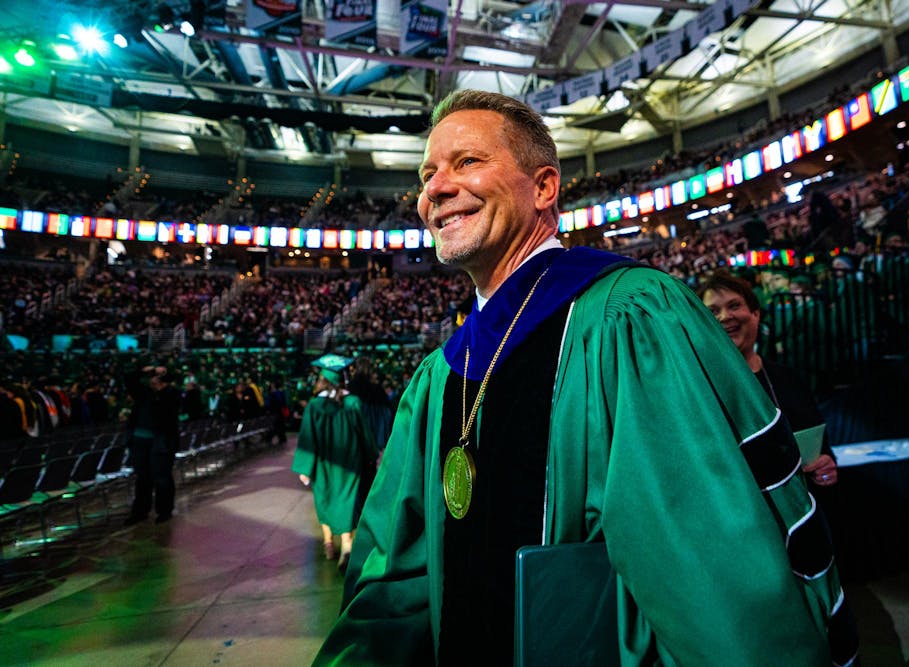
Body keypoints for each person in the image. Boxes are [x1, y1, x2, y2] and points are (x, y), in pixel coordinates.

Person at [316, 91, 857, 666]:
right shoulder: (437, 378)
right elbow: (394, 575)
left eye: (467, 162)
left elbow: (705, 573)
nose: (435, 189)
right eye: (428, 174)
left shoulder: (630, 318)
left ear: (544, 187)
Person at [698, 270, 839, 487]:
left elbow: (819, 444)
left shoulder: (789, 378)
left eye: (734, 306)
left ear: (755, 314)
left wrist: (825, 463)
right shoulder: (700, 389)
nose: (725, 317)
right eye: (713, 311)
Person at [292, 355, 377, 569]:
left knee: (325, 500)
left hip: (323, 464)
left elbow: (307, 438)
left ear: (322, 380)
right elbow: (365, 435)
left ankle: (329, 542)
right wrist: (370, 456)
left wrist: (305, 467)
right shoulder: (353, 402)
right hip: (351, 462)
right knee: (347, 501)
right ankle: (347, 545)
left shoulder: (314, 406)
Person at [123, 365, 181, 525]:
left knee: (162, 477)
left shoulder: (172, 394)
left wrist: (162, 381)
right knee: (142, 478)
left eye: (158, 376)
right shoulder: (144, 393)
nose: (154, 378)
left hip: (161, 441)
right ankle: (140, 511)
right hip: (140, 440)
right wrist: (143, 370)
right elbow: (128, 378)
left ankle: (164, 511)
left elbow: (168, 409)